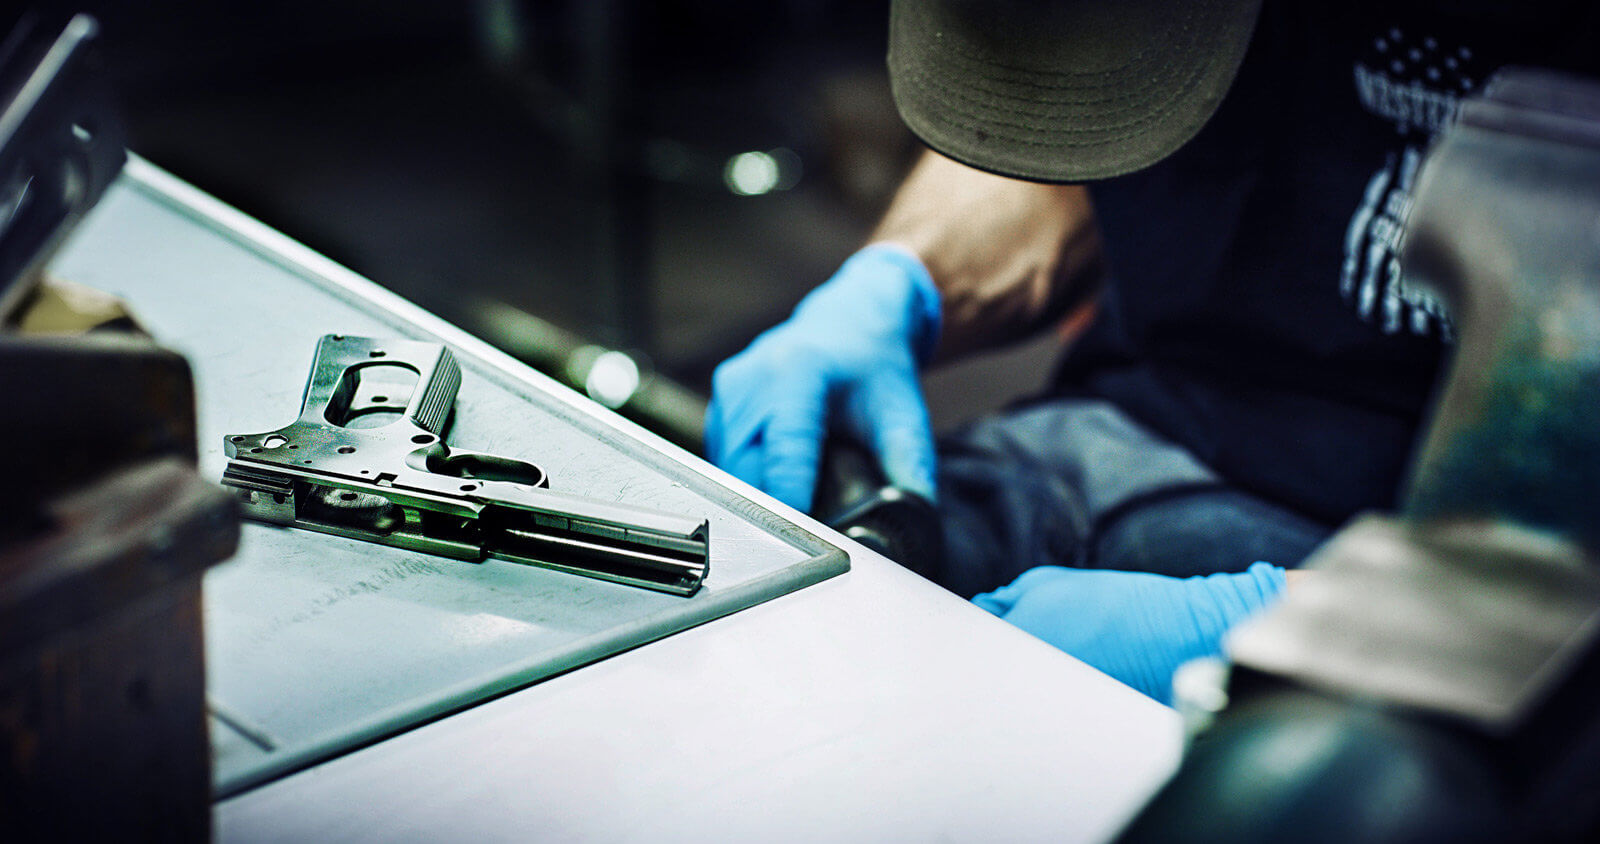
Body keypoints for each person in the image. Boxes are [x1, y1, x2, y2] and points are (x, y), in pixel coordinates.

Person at [705, 0, 1600, 703]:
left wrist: (1355, 626)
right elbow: (1061, 113)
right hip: (1139, 427)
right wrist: (899, 281)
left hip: (1495, 569)